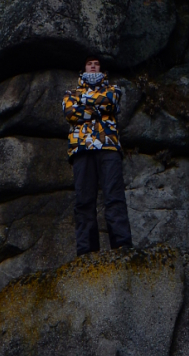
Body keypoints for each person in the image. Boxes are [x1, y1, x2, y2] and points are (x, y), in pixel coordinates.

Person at [62, 58, 133, 255]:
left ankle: (122, 245)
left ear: (102, 68)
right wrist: (98, 109)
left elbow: (110, 102)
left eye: (96, 63)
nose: (93, 66)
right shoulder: (70, 94)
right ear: (83, 68)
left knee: (114, 196)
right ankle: (87, 252)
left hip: (108, 146)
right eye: (89, 63)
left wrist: (84, 104)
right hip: (81, 148)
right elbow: (69, 112)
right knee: (83, 201)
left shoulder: (113, 89)